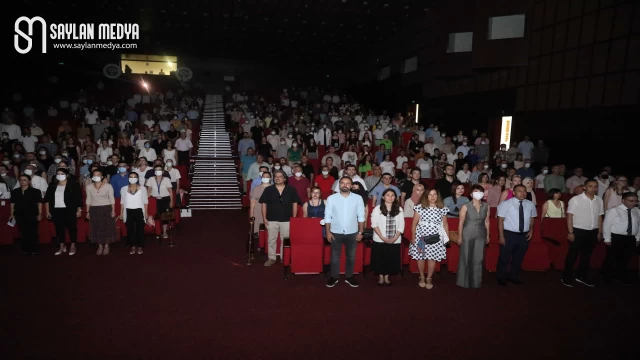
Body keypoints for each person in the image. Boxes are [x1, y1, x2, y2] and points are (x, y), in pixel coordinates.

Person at [324, 176, 366, 288]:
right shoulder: (331, 198)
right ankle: (334, 276)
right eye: (342, 183)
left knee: (351, 256)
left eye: (347, 183)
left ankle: (349, 276)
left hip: (352, 232)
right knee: (334, 257)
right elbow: (327, 216)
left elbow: (361, 216)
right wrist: (327, 232)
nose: (345, 185)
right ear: (339, 184)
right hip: (335, 232)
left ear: (351, 186)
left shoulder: (358, 198)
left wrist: (360, 232)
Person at [562, 179, 604, 287]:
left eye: (595, 186)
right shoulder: (576, 199)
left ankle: (581, 276)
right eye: (590, 186)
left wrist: (599, 232)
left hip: (593, 231)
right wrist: (570, 232)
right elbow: (569, 216)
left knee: (586, 256)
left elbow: (600, 216)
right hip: (578, 230)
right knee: (572, 255)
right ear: (584, 187)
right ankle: (566, 276)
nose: (593, 188)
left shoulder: (599, 200)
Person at [496, 184, 537, 286]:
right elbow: (500, 220)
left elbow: (532, 218)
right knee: (504, 257)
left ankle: (513, 275)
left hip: (524, 235)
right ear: (514, 193)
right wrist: (501, 236)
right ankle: (501, 276)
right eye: (519, 191)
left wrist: (531, 230)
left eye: (524, 191)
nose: (522, 193)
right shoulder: (506, 204)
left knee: (519, 257)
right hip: (509, 234)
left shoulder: (530, 204)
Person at [410, 188, 450, 290]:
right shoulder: (420, 207)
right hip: (421, 236)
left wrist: (447, 237)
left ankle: (429, 277)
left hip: (436, 236)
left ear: (438, 196)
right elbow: (414, 223)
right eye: (430, 194)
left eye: (435, 194)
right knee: (421, 256)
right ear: (426, 196)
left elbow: (445, 224)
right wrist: (413, 236)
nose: (432, 197)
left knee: (432, 257)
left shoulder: (442, 208)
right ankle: (422, 276)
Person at [259, 170, 301, 266]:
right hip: (271, 219)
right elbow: (263, 204)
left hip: (286, 219)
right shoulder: (268, 190)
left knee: (285, 239)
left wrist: (293, 218)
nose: (277, 178)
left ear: (285, 178)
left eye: (280, 176)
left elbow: (295, 204)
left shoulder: (291, 189)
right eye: (276, 176)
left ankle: (284, 257)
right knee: (271, 239)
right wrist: (264, 218)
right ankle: (271, 258)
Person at [456, 185, 490, 288]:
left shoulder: (486, 206)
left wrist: (488, 234)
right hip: (467, 233)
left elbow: (487, 221)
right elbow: (461, 222)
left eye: (480, 191)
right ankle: (463, 282)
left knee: (478, 257)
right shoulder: (465, 206)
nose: (478, 193)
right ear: (471, 194)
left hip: (481, 233)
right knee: (465, 256)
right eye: (476, 191)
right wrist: (460, 236)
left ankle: (476, 282)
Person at [601, 192, 640, 284]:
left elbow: (638, 226)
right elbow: (607, 225)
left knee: (625, 258)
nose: (633, 203)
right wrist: (607, 238)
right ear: (623, 200)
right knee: (611, 257)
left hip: (631, 238)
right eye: (631, 201)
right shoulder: (614, 210)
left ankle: (620, 275)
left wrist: (638, 238)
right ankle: (606, 275)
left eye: (635, 201)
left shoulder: (637, 211)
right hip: (617, 237)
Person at [370, 188, 405, 286]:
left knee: (390, 258)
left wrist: (395, 238)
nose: (390, 197)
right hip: (379, 238)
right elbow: (374, 224)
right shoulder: (377, 208)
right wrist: (382, 237)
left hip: (395, 239)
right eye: (388, 195)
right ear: (383, 197)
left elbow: (401, 226)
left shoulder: (399, 209)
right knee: (380, 258)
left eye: (392, 195)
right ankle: (381, 276)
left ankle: (387, 276)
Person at [44, 168, 82, 256]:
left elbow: (78, 199)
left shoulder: (73, 184)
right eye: (58, 173)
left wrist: (79, 210)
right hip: (56, 210)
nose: (60, 175)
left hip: (69, 210)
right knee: (59, 229)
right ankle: (62, 246)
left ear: (67, 175)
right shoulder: (52, 185)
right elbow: (47, 199)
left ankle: (73, 245)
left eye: (62, 173)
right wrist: (47, 211)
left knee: (72, 228)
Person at [86, 169, 117, 255]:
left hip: (106, 208)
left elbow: (112, 199)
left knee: (107, 227)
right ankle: (100, 246)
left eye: (98, 175)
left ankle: (106, 245)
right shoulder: (89, 187)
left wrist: (113, 210)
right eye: (94, 175)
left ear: (102, 176)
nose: (96, 177)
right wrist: (87, 212)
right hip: (94, 209)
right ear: (92, 177)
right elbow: (88, 199)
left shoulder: (108, 186)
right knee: (96, 228)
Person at [10, 175, 43, 255]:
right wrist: (11, 214)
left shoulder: (36, 191)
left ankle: (33, 248)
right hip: (19, 215)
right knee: (23, 232)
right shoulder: (15, 191)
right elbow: (12, 204)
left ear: (29, 181)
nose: (22, 181)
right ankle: (25, 248)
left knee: (32, 232)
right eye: (21, 180)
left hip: (32, 214)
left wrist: (40, 214)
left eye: (25, 180)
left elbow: (39, 203)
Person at [119, 172, 149, 255]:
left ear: (137, 178)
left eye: (134, 177)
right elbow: (122, 202)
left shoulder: (142, 188)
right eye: (131, 177)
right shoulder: (123, 189)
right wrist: (121, 213)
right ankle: (132, 246)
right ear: (128, 178)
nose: (133, 178)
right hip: (128, 211)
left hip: (139, 211)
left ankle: (140, 246)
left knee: (140, 229)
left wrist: (146, 213)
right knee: (130, 230)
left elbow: (146, 202)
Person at [146, 165, 175, 240]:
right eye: (156, 170)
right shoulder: (151, 179)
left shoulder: (166, 179)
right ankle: (158, 231)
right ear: (154, 171)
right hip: (154, 200)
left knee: (164, 216)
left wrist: (171, 201)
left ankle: (165, 231)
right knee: (156, 216)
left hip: (165, 199)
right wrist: (146, 200)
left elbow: (170, 191)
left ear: (162, 171)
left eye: (159, 170)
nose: (158, 171)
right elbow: (149, 190)